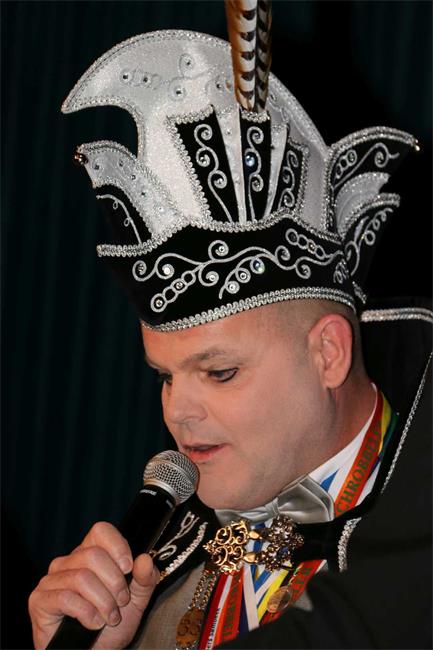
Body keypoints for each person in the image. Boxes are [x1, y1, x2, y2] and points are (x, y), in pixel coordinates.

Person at [28, 3, 432, 648]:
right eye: (165, 376)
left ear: (329, 353)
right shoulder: (161, 564)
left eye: (219, 372)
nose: (177, 413)